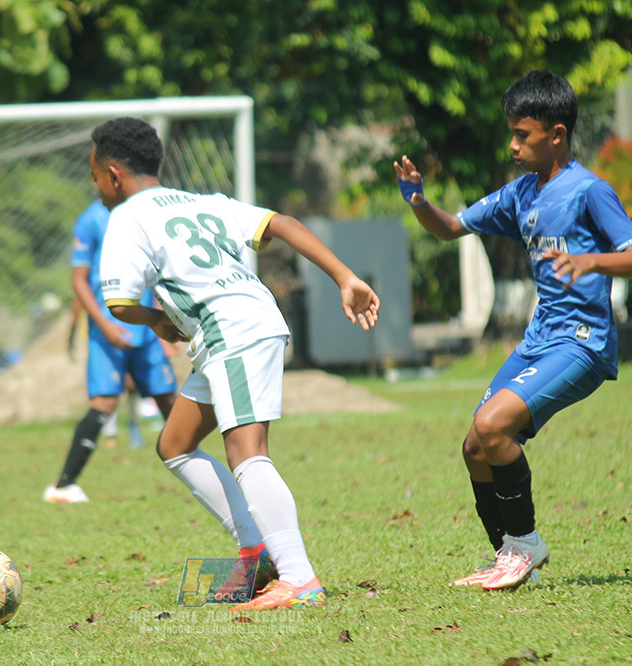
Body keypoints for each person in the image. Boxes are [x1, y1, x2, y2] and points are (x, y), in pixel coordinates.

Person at [92, 117, 380, 611]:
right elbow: (282, 225)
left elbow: (118, 303)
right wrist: (344, 276)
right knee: (175, 443)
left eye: (94, 173)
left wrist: (155, 319)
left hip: (233, 331)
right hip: (241, 321)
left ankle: (298, 577)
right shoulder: (200, 201)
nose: (94, 184)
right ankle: (257, 551)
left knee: (246, 451)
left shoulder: (126, 218)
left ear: (114, 174)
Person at [394, 70, 632, 590]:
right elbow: (450, 229)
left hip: (582, 342)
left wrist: (592, 262)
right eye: (511, 133)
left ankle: (526, 545)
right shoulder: (520, 194)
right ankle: (510, 558)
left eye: (523, 135)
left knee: (494, 425)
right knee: (475, 447)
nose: (513, 145)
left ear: (556, 134)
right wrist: (418, 202)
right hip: (539, 339)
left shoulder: (589, 191)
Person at [42, 199, 178, 503]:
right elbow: (79, 280)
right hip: (109, 330)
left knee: (171, 401)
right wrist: (104, 325)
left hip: (147, 328)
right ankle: (64, 486)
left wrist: (164, 322)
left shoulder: (144, 214)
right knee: (104, 402)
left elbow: (154, 274)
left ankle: (204, 476)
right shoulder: (90, 220)